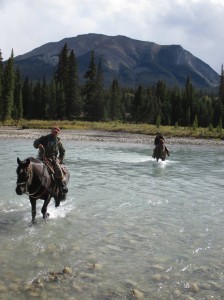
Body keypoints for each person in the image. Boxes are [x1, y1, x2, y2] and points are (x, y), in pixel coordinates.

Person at [33, 127, 68, 193]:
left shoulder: (59, 142)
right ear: (51, 131)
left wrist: (59, 160)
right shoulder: (44, 138)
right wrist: (38, 144)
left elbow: (62, 152)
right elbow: (35, 142)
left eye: (57, 131)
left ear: (58, 133)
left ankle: (62, 185)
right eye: (54, 130)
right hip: (41, 158)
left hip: (53, 160)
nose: (55, 132)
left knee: (59, 170)